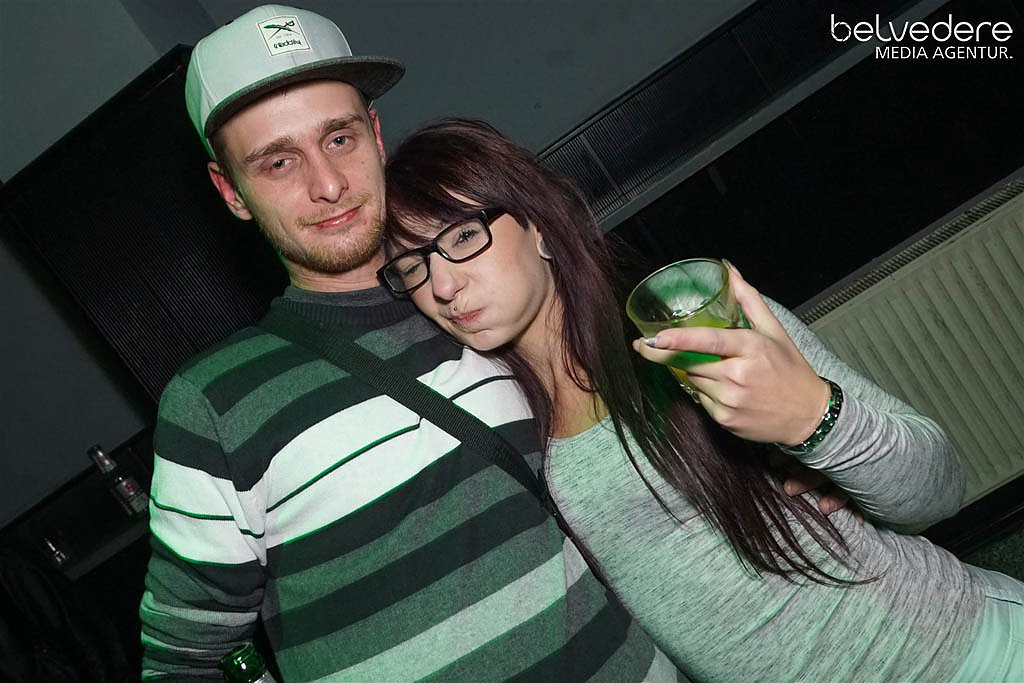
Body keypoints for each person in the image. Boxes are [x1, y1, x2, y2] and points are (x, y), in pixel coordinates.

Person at [138, 6, 686, 681]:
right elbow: (182, 664)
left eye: (339, 138)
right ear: (232, 192)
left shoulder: (481, 299)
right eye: (279, 161)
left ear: (375, 134)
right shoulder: (212, 403)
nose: (328, 185)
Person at [380, 117, 1024, 682]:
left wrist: (817, 421)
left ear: (541, 227)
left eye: (461, 238)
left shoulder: (686, 324)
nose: (442, 286)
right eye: (412, 266)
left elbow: (938, 490)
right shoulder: (499, 424)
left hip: (963, 653)